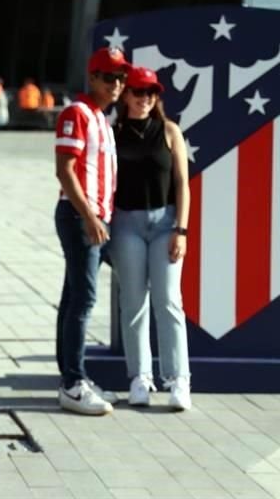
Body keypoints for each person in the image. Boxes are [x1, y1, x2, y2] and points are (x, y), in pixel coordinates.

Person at [111, 66, 192, 410]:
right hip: (126, 222)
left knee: (169, 300)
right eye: (138, 92)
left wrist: (182, 230)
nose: (144, 99)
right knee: (132, 301)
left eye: (150, 93)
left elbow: (182, 184)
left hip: (165, 222)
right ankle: (140, 377)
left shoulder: (170, 131)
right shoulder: (113, 132)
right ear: (126, 95)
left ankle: (178, 379)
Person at [53, 46, 128, 415]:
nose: (117, 84)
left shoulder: (100, 117)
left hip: (94, 217)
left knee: (73, 298)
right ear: (93, 77)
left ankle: (71, 377)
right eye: (110, 77)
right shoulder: (78, 113)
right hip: (80, 216)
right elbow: (64, 170)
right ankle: (73, 382)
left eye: (121, 78)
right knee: (83, 300)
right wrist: (89, 216)